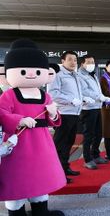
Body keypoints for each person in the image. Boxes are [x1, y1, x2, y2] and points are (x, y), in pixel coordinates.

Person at [0, 39, 65, 216]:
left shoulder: (44, 95)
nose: (30, 75)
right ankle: (16, 211)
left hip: (42, 143)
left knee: (40, 180)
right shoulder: (9, 95)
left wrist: (53, 113)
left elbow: (54, 119)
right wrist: (19, 120)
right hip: (17, 146)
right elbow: (1, 113)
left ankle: (41, 211)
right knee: (17, 182)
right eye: (23, 71)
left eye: (37, 71)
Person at [49, 50, 84, 183]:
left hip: (74, 113)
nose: (73, 62)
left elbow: (77, 93)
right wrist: (70, 100)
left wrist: (83, 99)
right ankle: (56, 173)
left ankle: (65, 167)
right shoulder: (58, 75)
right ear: (62, 61)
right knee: (60, 144)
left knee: (69, 143)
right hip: (64, 114)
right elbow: (53, 94)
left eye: (75, 60)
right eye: (70, 59)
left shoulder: (75, 75)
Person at [78, 55, 110, 170]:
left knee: (98, 133)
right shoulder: (80, 75)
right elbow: (84, 90)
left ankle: (95, 155)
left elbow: (97, 89)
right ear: (82, 64)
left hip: (97, 107)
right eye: (89, 62)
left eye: (93, 61)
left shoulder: (93, 75)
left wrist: (102, 97)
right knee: (88, 135)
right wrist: (99, 96)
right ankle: (87, 159)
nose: (92, 64)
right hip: (88, 109)